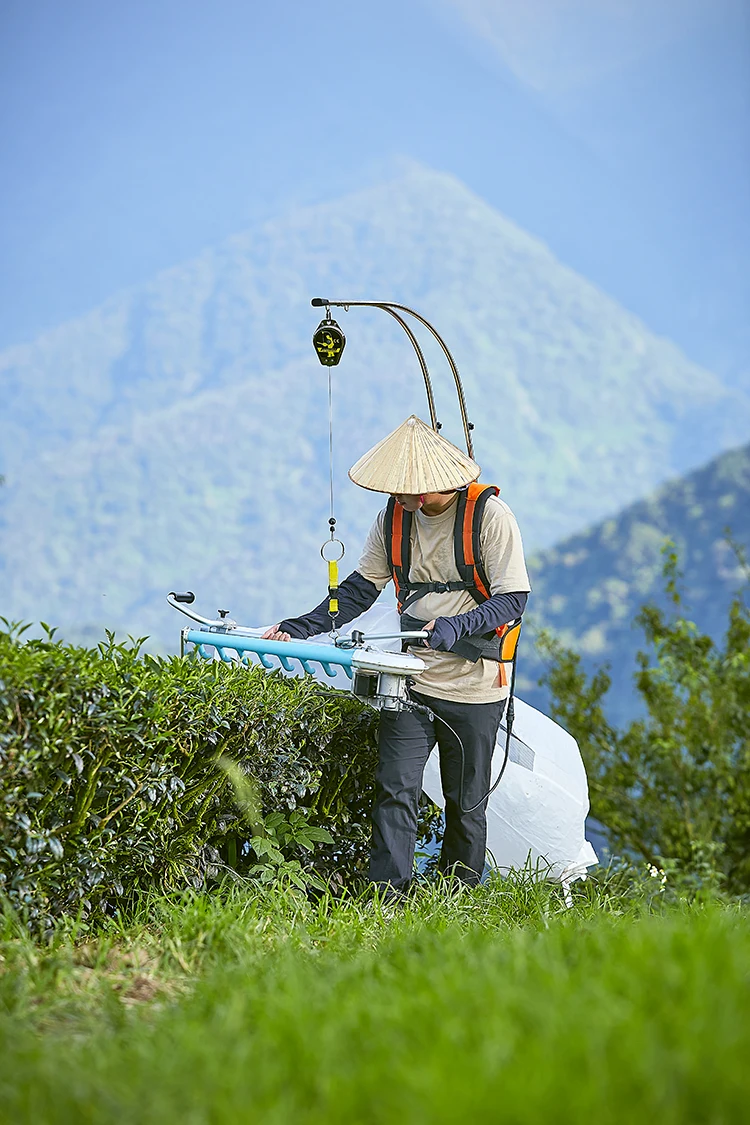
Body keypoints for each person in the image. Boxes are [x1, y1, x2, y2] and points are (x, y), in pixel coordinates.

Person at [264, 414, 530, 897]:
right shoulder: (393, 518)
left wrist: (456, 625)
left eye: (406, 488)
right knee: (394, 787)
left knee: (466, 803)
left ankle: (458, 896)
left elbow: (513, 599)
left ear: (430, 485)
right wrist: (301, 626)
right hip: (411, 677)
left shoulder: (490, 517)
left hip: (475, 685)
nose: (398, 495)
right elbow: (360, 590)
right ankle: (386, 897)